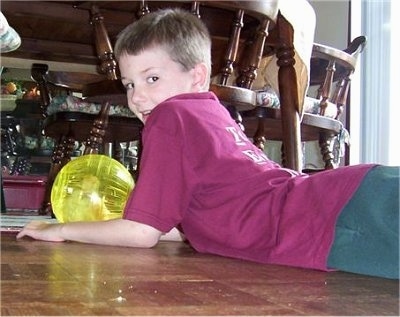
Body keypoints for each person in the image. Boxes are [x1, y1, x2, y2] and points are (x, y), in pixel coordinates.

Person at [17, 8, 399, 279]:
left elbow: (141, 233)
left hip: (336, 220)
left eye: (152, 79)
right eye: (130, 84)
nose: (136, 97)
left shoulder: (172, 116)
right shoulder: (211, 113)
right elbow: (169, 224)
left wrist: (62, 230)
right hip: (346, 201)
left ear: (197, 75)